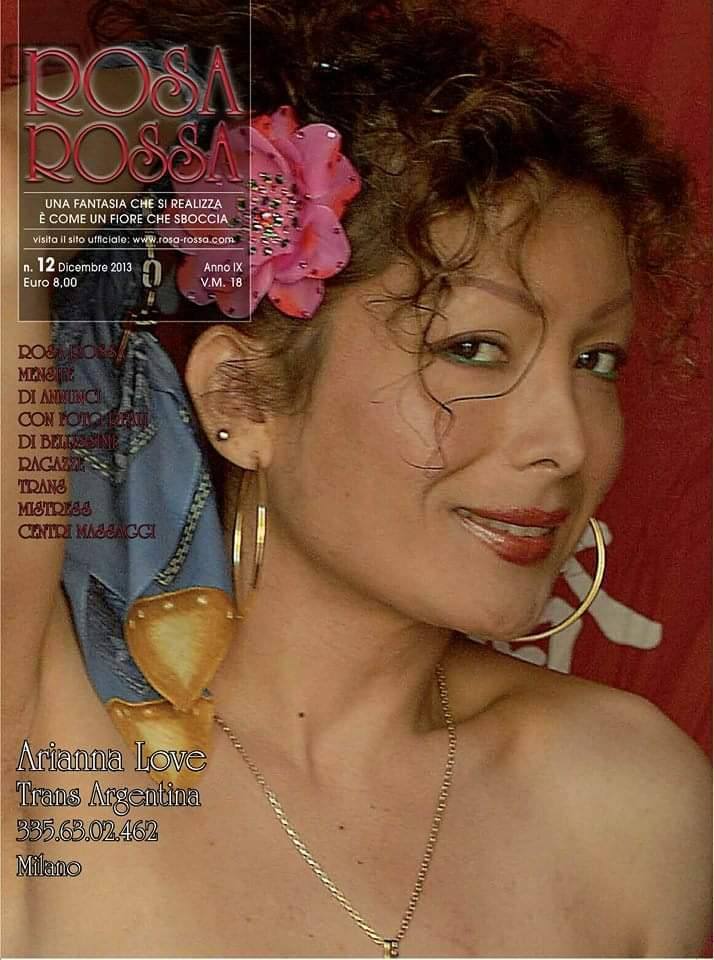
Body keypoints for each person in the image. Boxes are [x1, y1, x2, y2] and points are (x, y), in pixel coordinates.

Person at [1, 1, 711, 957]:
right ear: (245, 397)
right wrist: (215, 82)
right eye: (473, 348)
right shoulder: (45, 737)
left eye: (596, 362)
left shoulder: (627, 801)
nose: (569, 443)